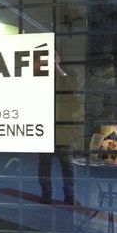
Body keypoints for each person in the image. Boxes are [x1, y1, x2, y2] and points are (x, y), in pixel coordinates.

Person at [38, 51, 83, 205]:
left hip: (64, 128)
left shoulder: (68, 75)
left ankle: (69, 194)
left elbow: (72, 92)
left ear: (59, 59)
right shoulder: (40, 76)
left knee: (68, 164)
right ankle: (46, 193)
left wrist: (57, 69)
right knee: (44, 163)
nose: (51, 60)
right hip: (45, 128)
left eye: (54, 57)